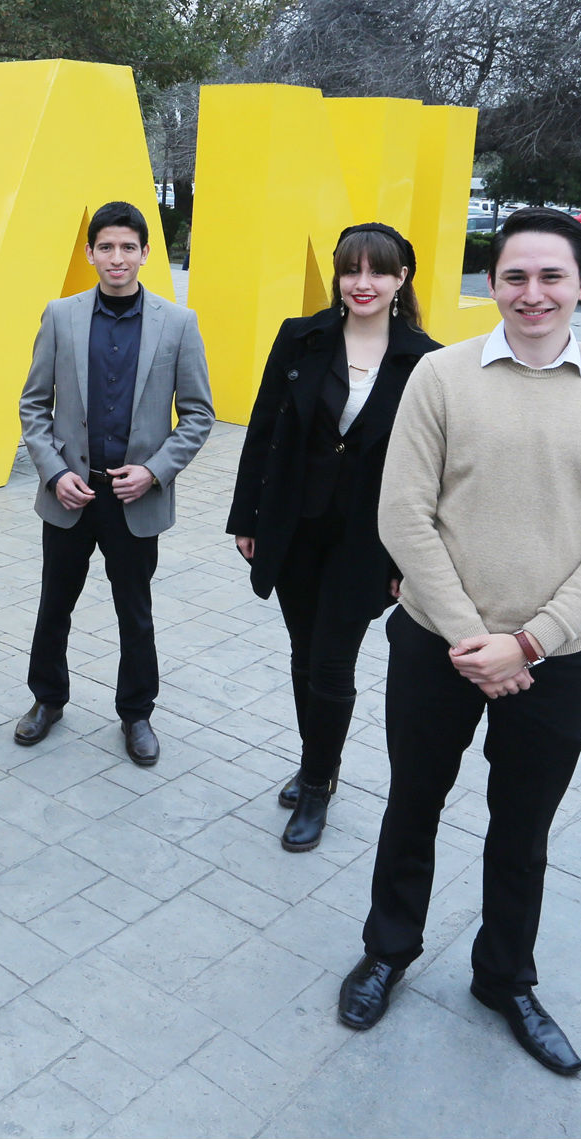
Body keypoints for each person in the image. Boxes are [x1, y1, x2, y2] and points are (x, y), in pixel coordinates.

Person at [337, 208, 581, 1078]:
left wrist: (530, 644)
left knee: (522, 829)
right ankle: (388, 949)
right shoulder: (441, 377)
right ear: (491, 285)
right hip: (436, 648)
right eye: (515, 276)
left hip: (553, 664)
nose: (533, 292)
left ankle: (505, 976)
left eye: (552, 276)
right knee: (413, 804)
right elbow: (402, 513)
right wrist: (475, 636)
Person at [227, 224, 440, 852]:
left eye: (378, 272)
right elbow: (263, 429)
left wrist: (413, 560)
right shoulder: (303, 337)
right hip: (294, 527)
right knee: (302, 653)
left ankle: (318, 781)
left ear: (403, 279)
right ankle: (315, 760)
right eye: (351, 271)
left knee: (330, 660)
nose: (363, 283)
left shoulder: (428, 360)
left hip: (370, 540)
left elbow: (435, 471)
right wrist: (248, 518)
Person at [13, 201, 213, 767]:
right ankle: (46, 701)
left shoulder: (178, 324)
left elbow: (199, 414)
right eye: (106, 247)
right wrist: (54, 473)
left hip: (134, 498)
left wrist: (154, 471)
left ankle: (136, 713)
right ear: (90, 253)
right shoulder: (61, 316)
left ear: (146, 254)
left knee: (135, 611)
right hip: (71, 496)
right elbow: (33, 404)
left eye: (128, 247)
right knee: (55, 605)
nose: (117, 257)